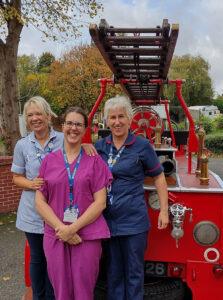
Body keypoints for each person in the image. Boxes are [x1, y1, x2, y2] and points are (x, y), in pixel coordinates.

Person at [11, 97, 95, 300]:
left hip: (59, 213)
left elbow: (75, 149)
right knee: (38, 259)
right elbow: (16, 178)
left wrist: (84, 146)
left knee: (56, 260)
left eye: (38, 113)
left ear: (48, 116)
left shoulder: (63, 138)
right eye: (30, 115)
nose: (34, 118)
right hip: (32, 212)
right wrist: (32, 184)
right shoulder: (22, 145)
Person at [95, 95, 169, 300]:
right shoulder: (100, 146)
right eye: (112, 117)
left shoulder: (143, 146)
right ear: (106, 121)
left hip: (134, 221)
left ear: (129, 119)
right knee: (113, 272)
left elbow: (159, 177)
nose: (117, 122)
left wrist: (164, 210)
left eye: (121, 116)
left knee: (135, 273)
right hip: (107, 220)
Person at [35, 106, 112, 300]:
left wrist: (73, 229)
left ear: (85, 129)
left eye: (78, 124)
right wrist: (62, 228)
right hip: (56, 234)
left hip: (87, 235)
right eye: (69, 123)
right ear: (62, 126)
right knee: (60, 291)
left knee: (84, 290)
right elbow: (40, 201)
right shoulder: (48, 161)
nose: (73, 128)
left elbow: (100, 202)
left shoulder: (95, 161)